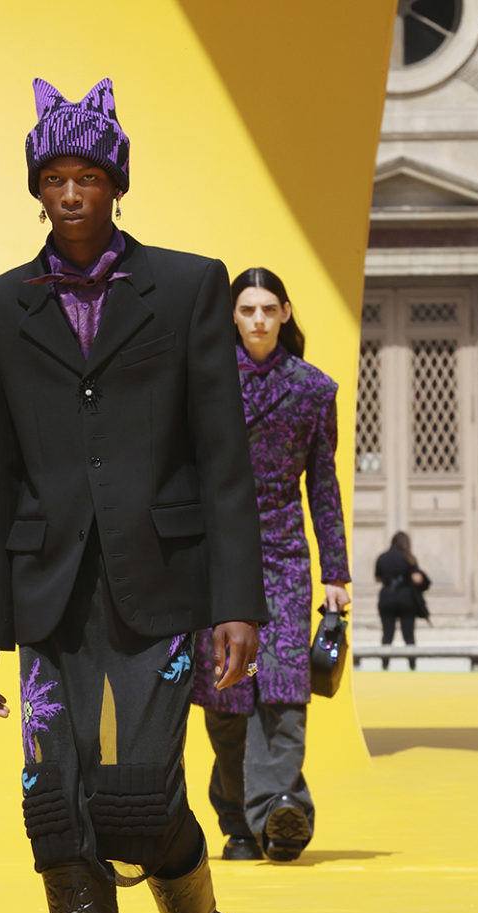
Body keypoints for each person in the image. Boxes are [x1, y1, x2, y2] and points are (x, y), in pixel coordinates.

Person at [0, 78, 267, 913]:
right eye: (55, 178)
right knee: (54, 805)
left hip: (164, 584)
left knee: (135, 800)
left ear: (116, 185)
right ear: (36, 190)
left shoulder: (186, 288)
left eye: (89, 176)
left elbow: (223, 455)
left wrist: (239, 601)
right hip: (49, 590)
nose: (72, 193)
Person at [191, 268, 351, 864]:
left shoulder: (313, 390)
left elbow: (324, 486)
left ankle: (278, 809)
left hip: (283, 554)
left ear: (285, 312)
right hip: (215, 553)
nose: (257, 319)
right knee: (228, 695)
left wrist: (335, 573)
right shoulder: (205, 381)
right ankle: (240, 820)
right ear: (232, 316)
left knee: (282, 687)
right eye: (246, 309)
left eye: (267, 308)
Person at [375, 531, 430, 667]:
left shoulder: (382, 557)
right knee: (409, 634)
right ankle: (412, 665)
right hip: (406, 599)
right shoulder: (409, 558)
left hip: (387, 597)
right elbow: (417, 578)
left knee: (387, 634)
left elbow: (377, 577)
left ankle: (385, 665)